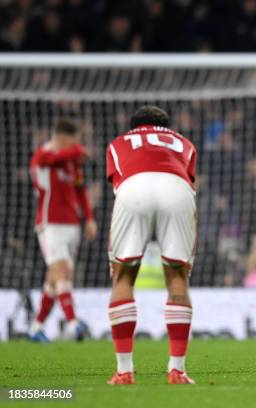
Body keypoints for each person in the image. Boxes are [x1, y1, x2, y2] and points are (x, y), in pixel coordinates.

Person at [105, 105, 197, 385]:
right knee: (178, 277)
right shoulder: (185, 143)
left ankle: (124, 371)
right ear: (167, 127)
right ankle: (177, 370)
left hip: (133, 188)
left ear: (134, 128)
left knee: (123, 275)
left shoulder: (118, 143)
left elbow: (118, 182)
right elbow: (190, 184)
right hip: (177, 188)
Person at [29, 118, 97, 342]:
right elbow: (57, 158)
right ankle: (74, 324)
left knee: (55, 278)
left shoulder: (72, 160)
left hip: (72, 224)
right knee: (63, 271)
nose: (76, 145)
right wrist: (78, 149)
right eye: (73, 140)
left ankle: (36, 327)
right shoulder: (43, 156)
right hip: (50, 224)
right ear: (61, 137)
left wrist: (88, 218)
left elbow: (80, 190)